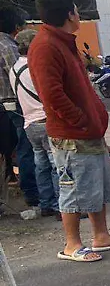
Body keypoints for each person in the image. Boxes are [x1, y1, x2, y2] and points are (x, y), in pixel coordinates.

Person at [27, 0, 110, 262]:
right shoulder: (45, 47)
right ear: (69, 13)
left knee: (94, 186)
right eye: (77, 9)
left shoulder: (65, 43)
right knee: (72, 188)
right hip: (70, 135)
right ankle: (71, 244)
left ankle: (101, 236)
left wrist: (95, 117)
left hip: (89, 132)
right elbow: (51, 95)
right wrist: (81, 119)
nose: (79, 14)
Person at [9, 28, 58, 219]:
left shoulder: (14, 69)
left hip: (29, 123)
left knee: (41, 165)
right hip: (45, 120)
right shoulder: (35, 67)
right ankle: (62, 205)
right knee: (56, 165)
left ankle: (45, 203)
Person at [0, 5, 39, 210]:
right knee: (27, 148)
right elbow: (20, 74)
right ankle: (33, 192)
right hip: (14, 104)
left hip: (6, 105)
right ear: (16, 26)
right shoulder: (8, 47)